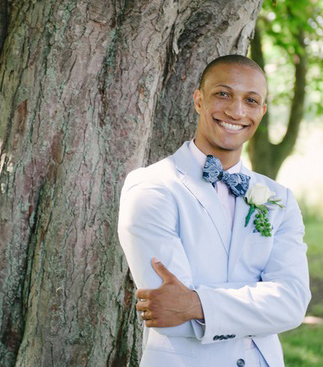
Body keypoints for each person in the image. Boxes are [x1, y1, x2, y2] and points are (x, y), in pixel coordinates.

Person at [118, 54, 310, 367]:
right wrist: (260, 302)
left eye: (251, 100)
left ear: (261, 111)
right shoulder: (152, 187)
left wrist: (196, 302)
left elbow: (292, 303)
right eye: (223, 94)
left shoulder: (279, 198)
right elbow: (171, 317)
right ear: (198, 100)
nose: (236, 111)